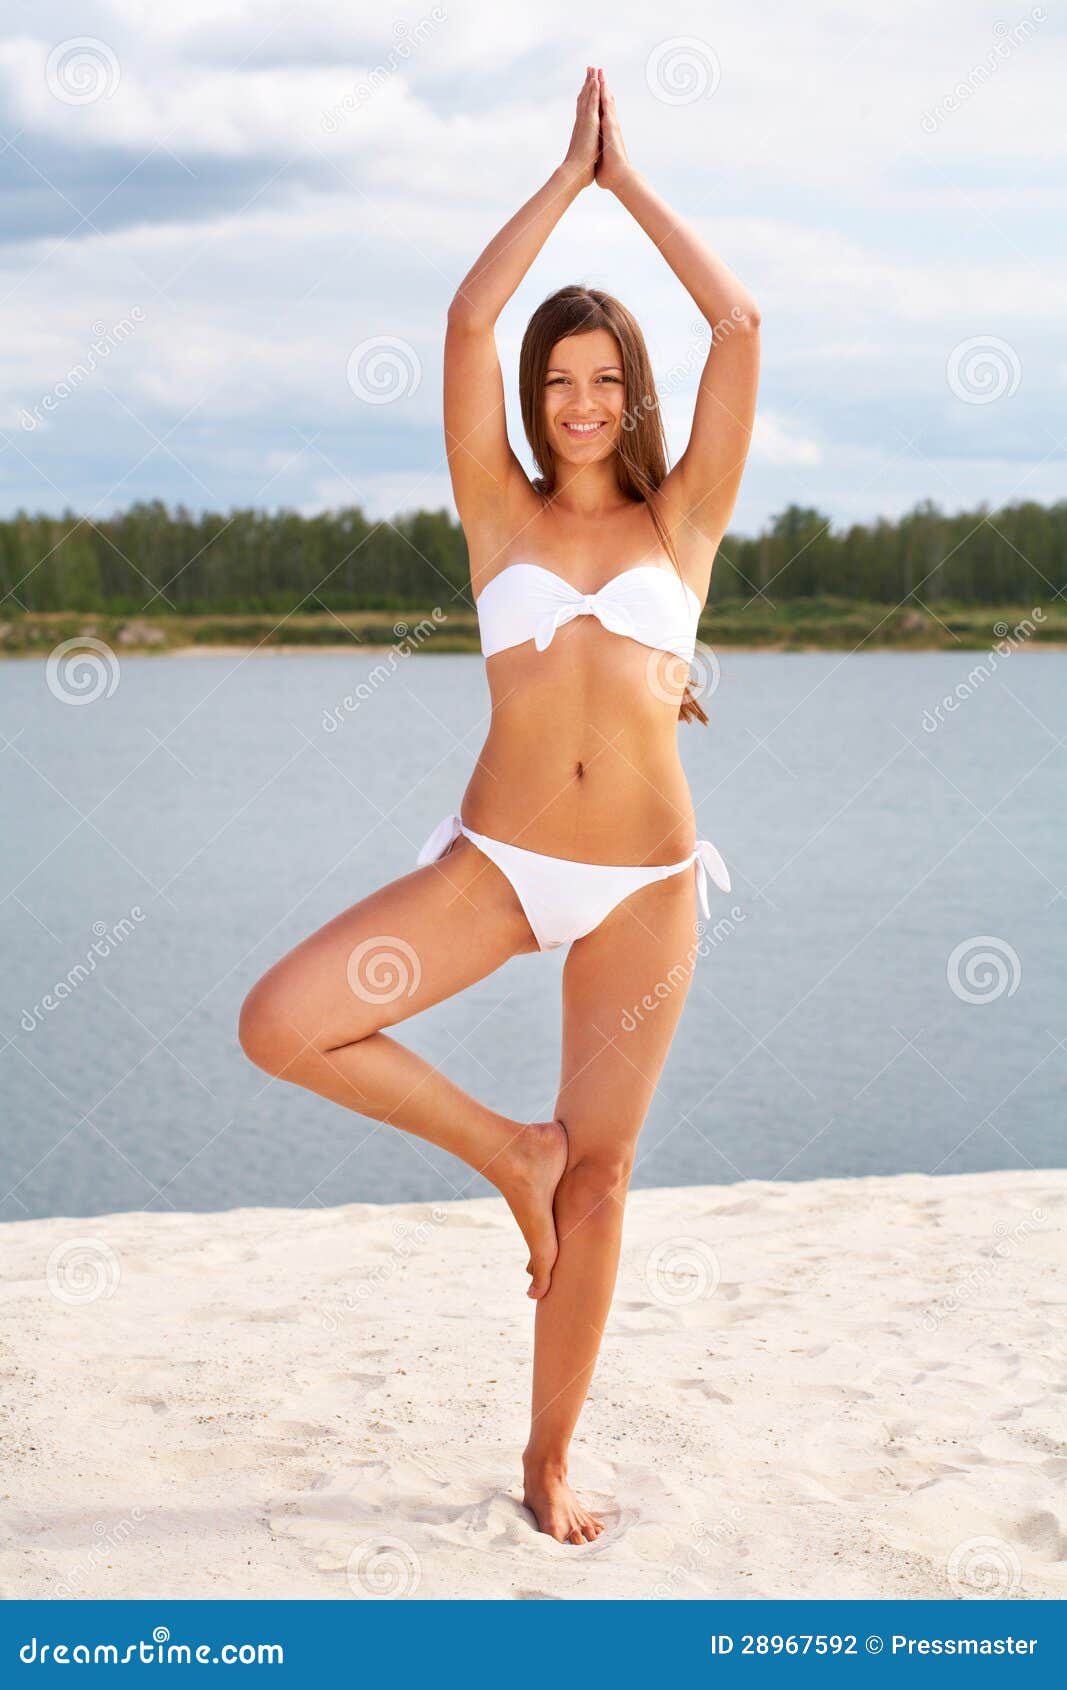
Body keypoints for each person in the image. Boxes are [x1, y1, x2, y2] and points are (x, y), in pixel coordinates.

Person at [239, 66, 760, 1545]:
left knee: (604, 1182)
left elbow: (741, 327)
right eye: (561, 380)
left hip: (645, 886)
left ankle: (547, 1459)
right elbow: (468, 322)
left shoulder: (685, 519)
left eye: (605, 378)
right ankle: (502, 1150)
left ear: (633, 394)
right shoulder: (499, 507)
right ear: (534, 401)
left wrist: (630, 184)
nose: (583, 401)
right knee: (284, 1020)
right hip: (499, 863)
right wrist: (561, 179)